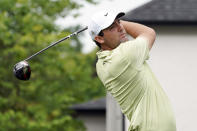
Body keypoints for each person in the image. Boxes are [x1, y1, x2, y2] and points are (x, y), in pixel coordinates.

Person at [88, 10, 176, 131]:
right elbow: (148, 33)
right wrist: (122, 22)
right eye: (112, 27)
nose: (121, 27)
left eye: (119, 22)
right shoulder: (124, 56)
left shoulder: (101, 64)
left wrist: (113, 23)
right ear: (99, 38)